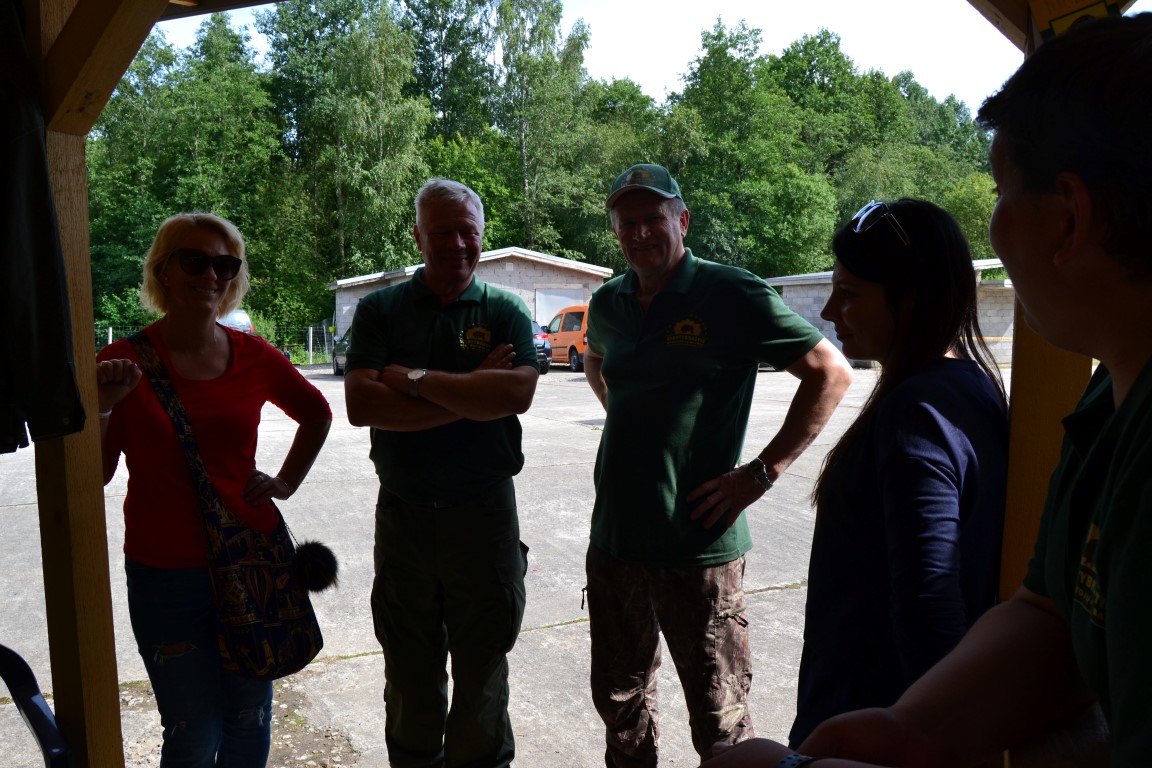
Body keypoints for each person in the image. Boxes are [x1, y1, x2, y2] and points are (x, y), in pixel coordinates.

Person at [703, 12, 1152, 768]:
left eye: (1001, 190)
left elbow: (930, 608)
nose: (994, 226)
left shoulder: (921, 416)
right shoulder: (1103, 403)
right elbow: (1047, 613)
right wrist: (918, 728)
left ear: (1069, 218)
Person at [583, 163, 854, 766]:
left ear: (682, 220)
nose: (640, 233)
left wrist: (761, 473)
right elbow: (596, 360)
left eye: (653, 218)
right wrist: (623, 411)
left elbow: (830, 373)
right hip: (616, 540)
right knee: (620, 701)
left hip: (699, 544)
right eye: (626, 223)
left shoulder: (732, 293)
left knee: (720, 717)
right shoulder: (607, 301)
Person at [96, 212, 333, 767]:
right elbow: (96, 475)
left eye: (225, 266)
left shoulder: (253, 355)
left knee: (249, 718)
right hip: (166, 574)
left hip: (251, 560)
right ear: (164, 270)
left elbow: (317, 413)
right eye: (194, 261)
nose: (211, 275)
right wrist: (104, 408)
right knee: (193, 733)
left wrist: (285, 481)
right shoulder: (121, 364)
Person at [788, 199, 1009, 747]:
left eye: (849, 293)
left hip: (864, 729)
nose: (830, 311)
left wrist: (920, 739)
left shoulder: (918, 414)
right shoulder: (971, 386)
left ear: (913, 299)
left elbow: (930, 608)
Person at [343, 178, 539, 768]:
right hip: (404, 517)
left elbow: (517, 394)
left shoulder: (504, 309)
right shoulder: (381, 310)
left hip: (484, 518)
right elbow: (362, 405)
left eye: (467, 231)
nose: (456, 243)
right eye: (441, 232)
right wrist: (473, 391)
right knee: (409, 671)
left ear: (481, 234)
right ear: (418, 237)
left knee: (483, 669)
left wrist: (414, 380)